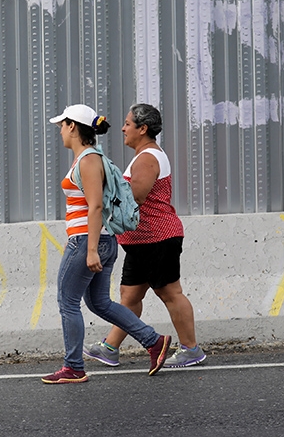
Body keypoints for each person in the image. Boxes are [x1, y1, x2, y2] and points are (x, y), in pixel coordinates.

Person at [42, 104, 172, 384]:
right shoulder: (89, 158)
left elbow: (96, 206)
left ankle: (73, 367)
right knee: (100, 302)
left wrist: (89, 249)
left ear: (73, 127)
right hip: (100, 241)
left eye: (62, 125)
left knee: (67, 302)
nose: (61, 131)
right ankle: (153, 341)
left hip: (87, 242)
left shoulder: (88, 160)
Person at [83, 103, 206, 368]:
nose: (124, 128)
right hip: (141, 241)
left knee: (170, 293)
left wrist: (101, 189)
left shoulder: (149, 157)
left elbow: (135, 196)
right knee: (129, 296)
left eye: (128, 123)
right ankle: (110, 348)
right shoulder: (143, 155)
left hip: (157, 238)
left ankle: (191, 349)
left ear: (143, 128)